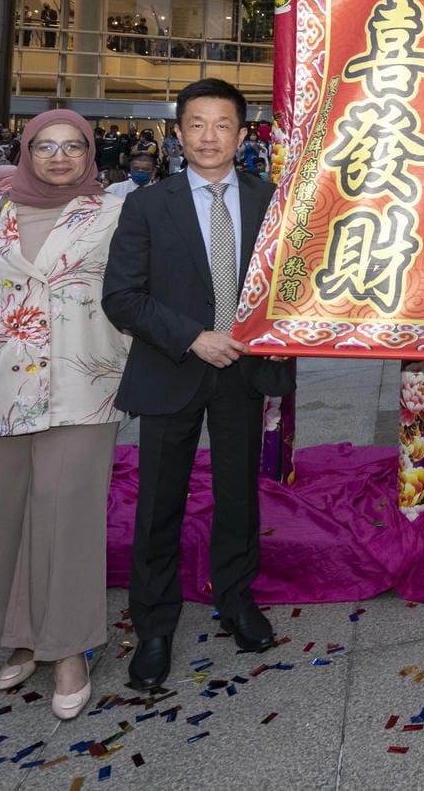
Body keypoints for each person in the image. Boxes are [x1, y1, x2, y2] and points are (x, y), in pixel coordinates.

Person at [0, 109, 131, 721]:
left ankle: (68, 648)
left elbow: (131, 292)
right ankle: (20, 635)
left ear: (91, 153)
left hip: (82, 380)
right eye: (45, 146)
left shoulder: (112, 214)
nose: (59, 157)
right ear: (26, 151)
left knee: (67, 513)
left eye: (73, 146)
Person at [104, 78, 294, 690]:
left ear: (242, 135)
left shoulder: (274, 200)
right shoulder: (146, 204)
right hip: (173, 366)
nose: (209, 137)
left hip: (244, 371)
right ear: (178, 132)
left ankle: (236, 600)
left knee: (239, 495)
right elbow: (121, 296)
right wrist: (193, 337)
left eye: (222, 125)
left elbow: (294, 288)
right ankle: (154, 625)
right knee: (160, 501)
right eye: (196, 124)